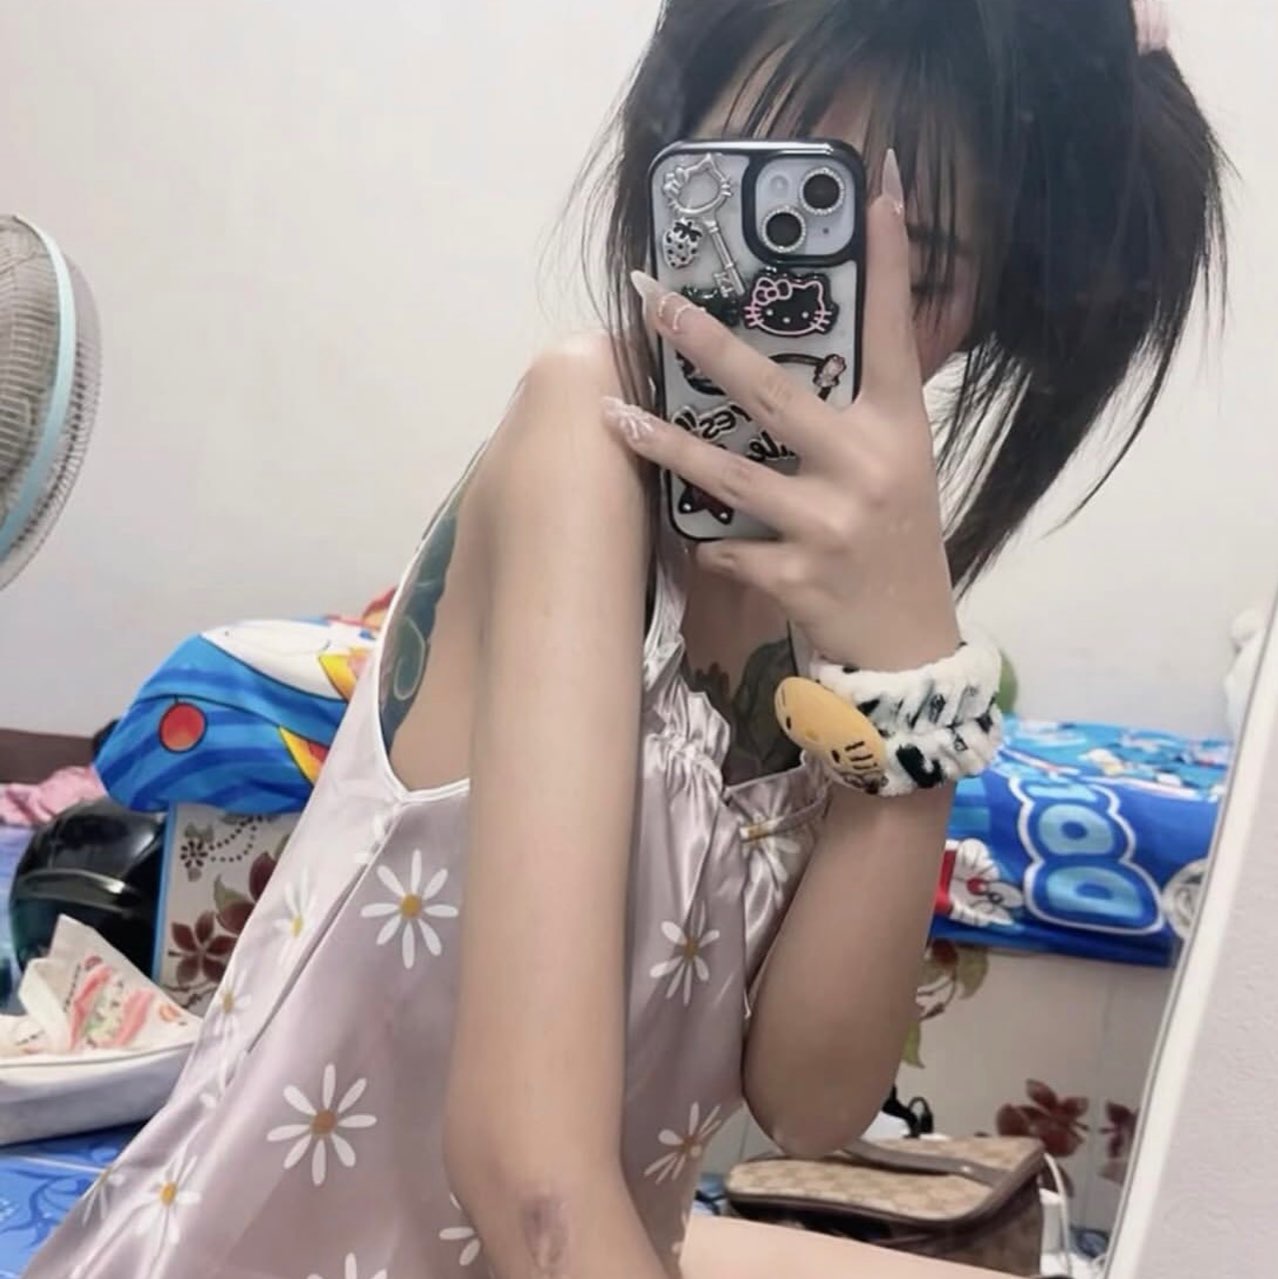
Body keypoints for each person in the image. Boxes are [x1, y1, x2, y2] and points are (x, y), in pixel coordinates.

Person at [28, 1, 1224, 1277]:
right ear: (670, 146)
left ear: (984, 306)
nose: (779, 303)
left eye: (909, 274)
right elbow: (530, 1178)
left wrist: (914, 681)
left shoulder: (835, 598)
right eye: (751, 203)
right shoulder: (582, 430)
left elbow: (812, 1100)